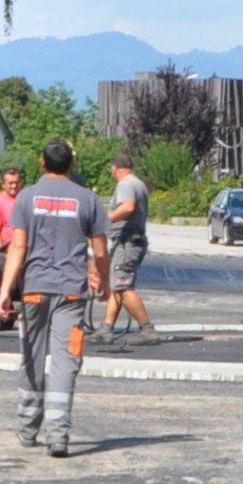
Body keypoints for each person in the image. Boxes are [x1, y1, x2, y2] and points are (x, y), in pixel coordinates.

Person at [0, 138, 107, 456]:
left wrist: (5, 291)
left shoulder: (27, 197)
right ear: (71, 165)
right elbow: (100, 250)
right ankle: (58, 437)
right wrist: (106, 283)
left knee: (31, 356)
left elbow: (17, 247)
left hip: (33, 292)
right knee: (65, 362)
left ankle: (28, 429)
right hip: (72, 294)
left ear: (42, 163)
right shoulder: (88, 199)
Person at [102, 147, 157, 343]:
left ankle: (147, 329)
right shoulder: (138, 183)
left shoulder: (125, 184)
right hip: (132, 241)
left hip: (127, 242)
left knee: (123, 286)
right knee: (118, 285)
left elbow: (128, 206)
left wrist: (106, 219)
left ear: (115, 168)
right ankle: (106, 329)